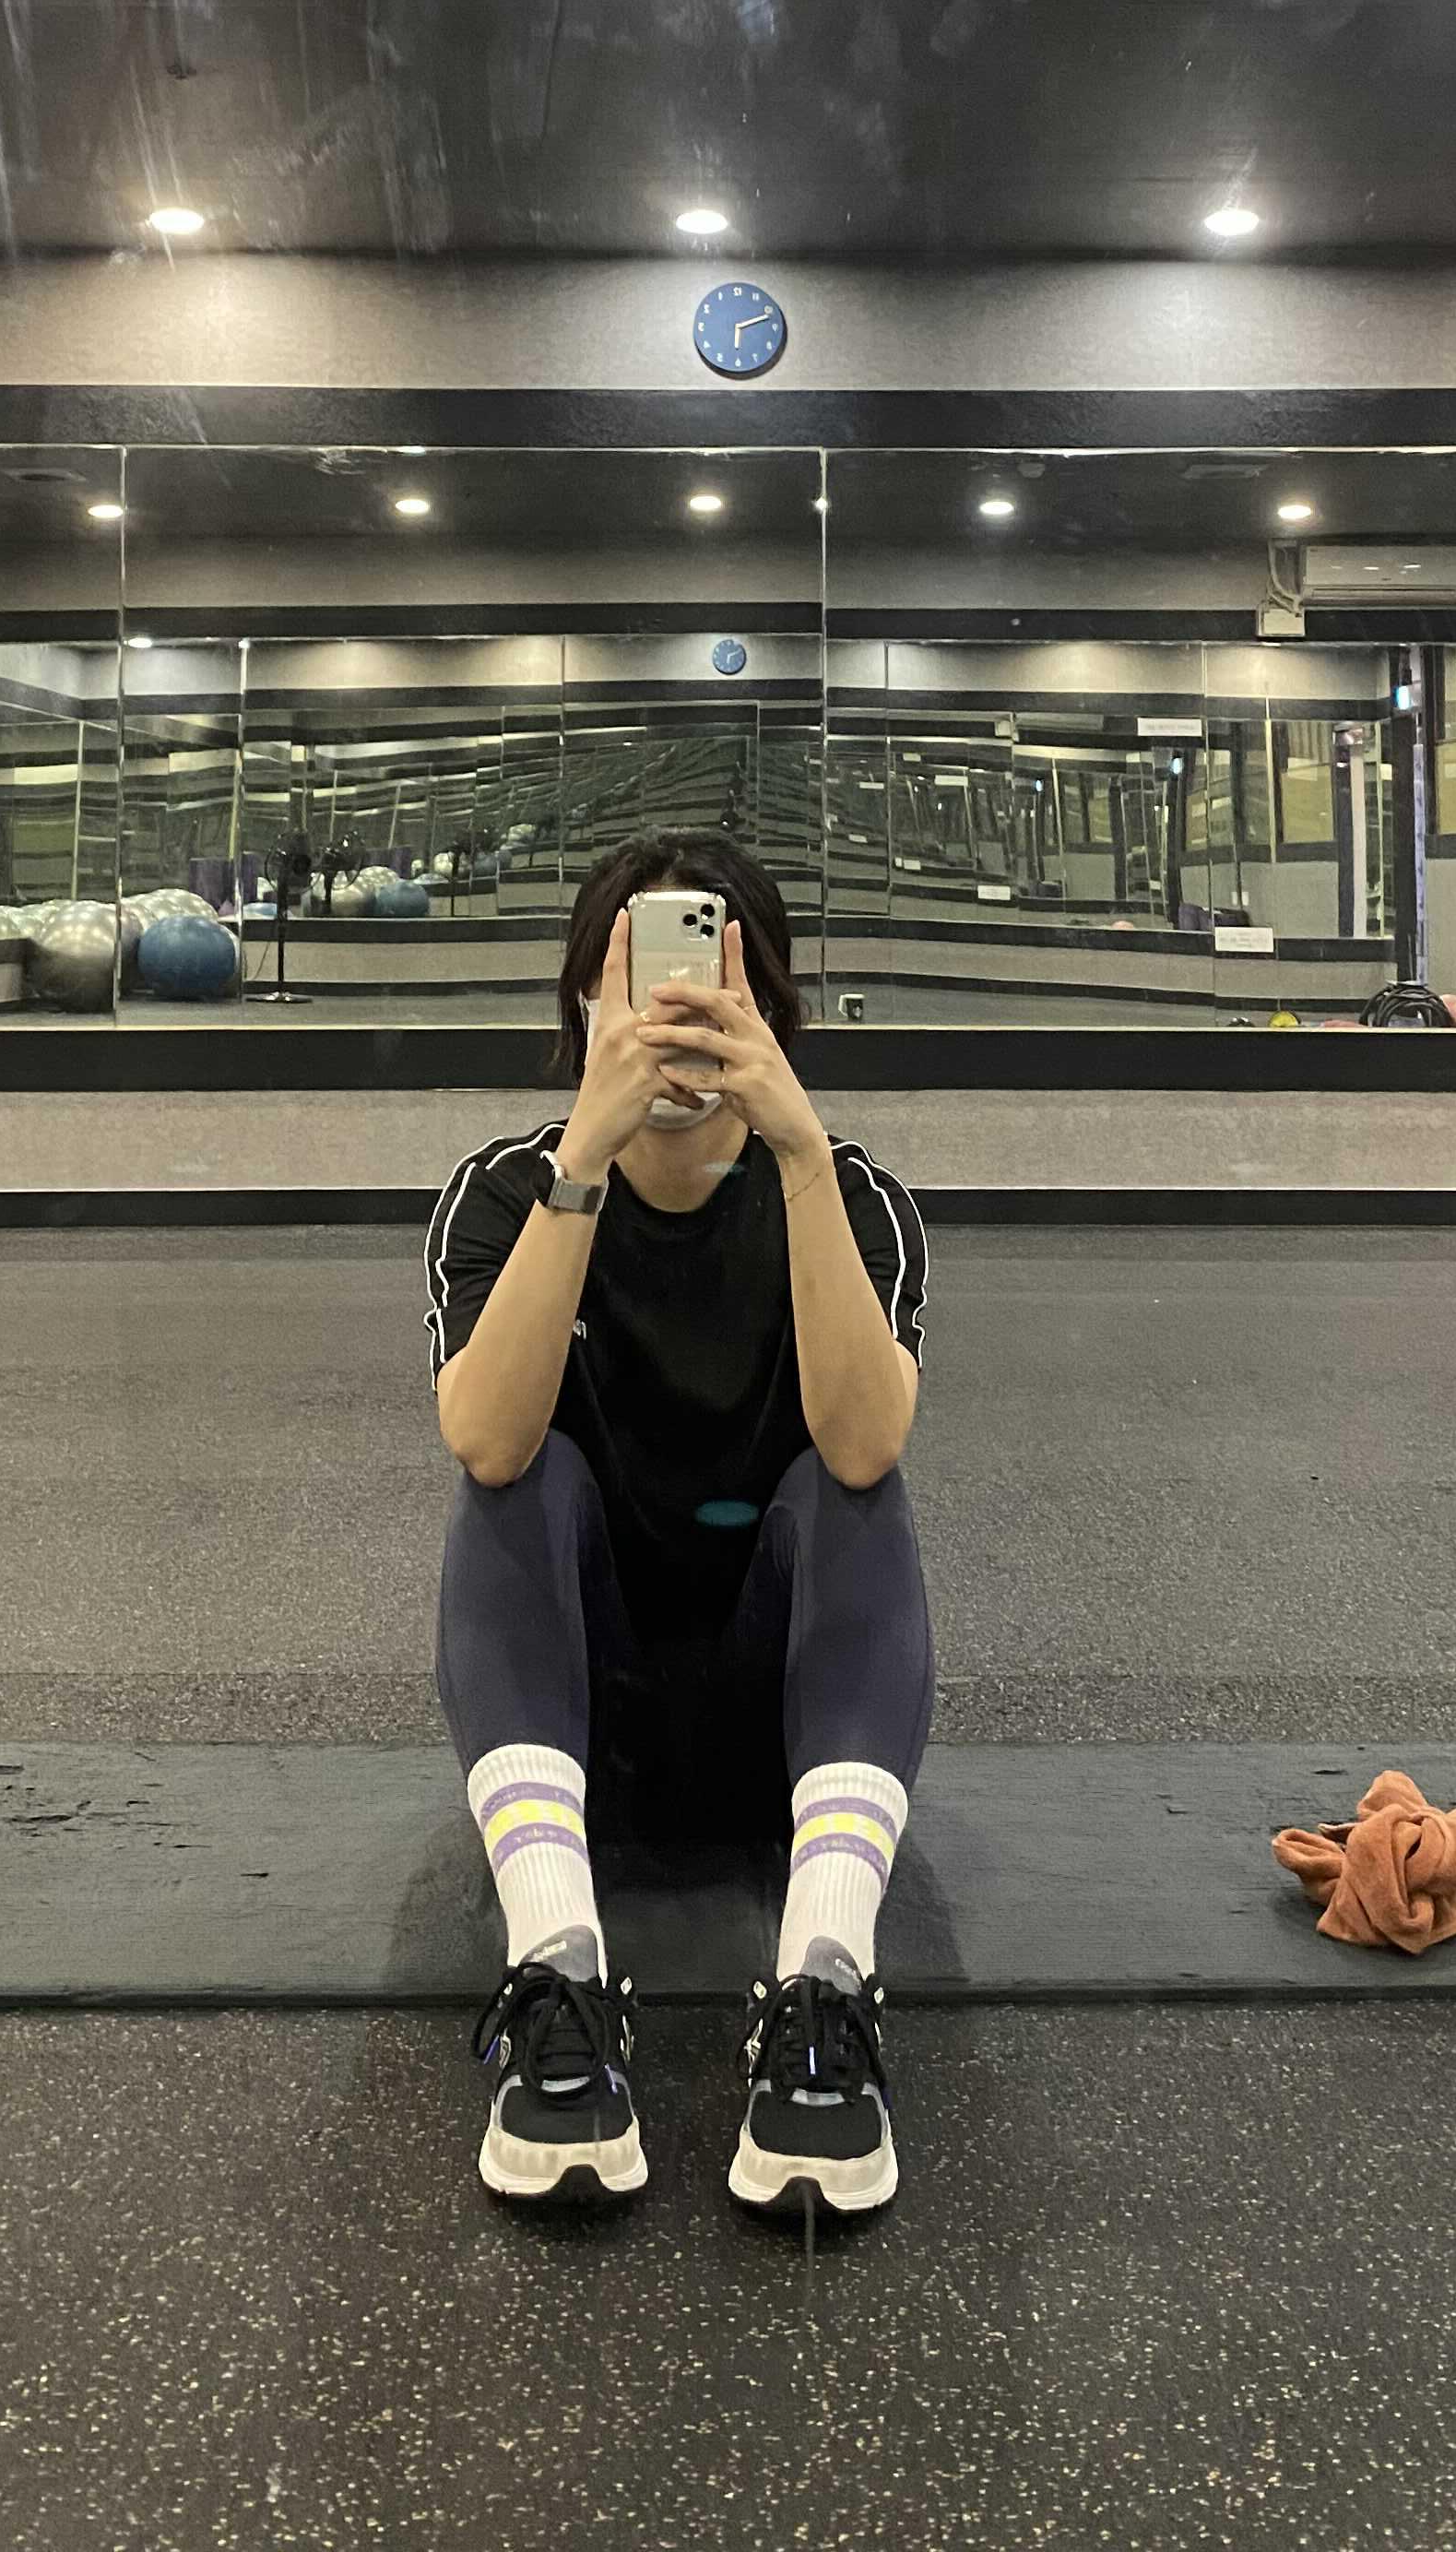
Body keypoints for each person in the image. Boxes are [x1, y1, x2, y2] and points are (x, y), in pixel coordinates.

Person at [423, 831, 934, 2228]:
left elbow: (864, 1443)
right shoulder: (503, 1193)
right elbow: (488, 1439)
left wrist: (799, 1147)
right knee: (518, 1473)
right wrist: (582, 1160)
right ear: (583, 1007)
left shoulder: (855, 1197)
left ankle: (825, 1984)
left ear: (768, 1009)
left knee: (856, 1486)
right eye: (636, 984)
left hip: (798, 1737)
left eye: (714, 985)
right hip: (573, 1733)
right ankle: (557, 1969)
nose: (675, 1014)